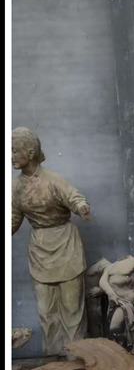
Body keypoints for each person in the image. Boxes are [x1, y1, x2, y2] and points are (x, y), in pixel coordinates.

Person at [12, 127, 89, 355]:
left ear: (30, 152)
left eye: (14, 151)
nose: (10, 156)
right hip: (39, 248)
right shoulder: (15, 188)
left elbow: (74, 197)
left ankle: (77, 358)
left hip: (65, 243)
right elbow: (13, 218)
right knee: (46, 311)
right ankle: (53, 360)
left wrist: (81, 207)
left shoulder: (53, 180)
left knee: (72, 309)